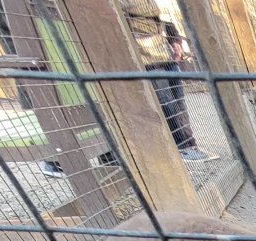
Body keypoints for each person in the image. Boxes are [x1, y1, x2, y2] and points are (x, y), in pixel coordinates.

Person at [42, 0, 215, 178]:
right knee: (153, 105)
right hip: (132, 57)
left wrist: (174, 39)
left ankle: (180, 147)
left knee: (172, 103)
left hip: (158, 52)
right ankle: (66, 160)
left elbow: (162, 17)